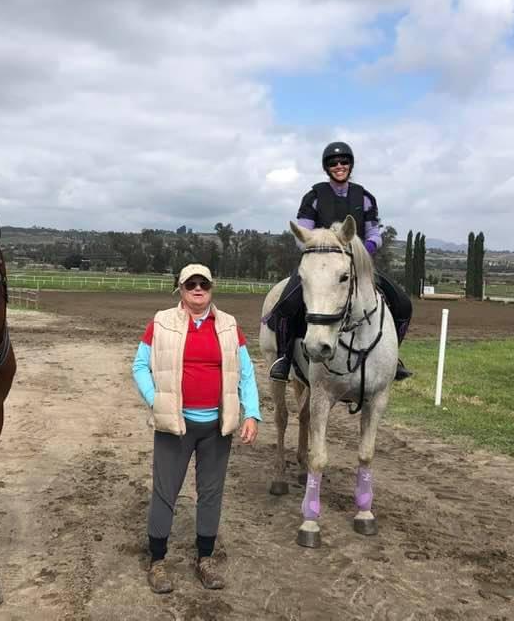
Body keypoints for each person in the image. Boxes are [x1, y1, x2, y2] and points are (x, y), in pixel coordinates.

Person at [131, 264, 261, 594]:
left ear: (211, 288)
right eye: (191, 284)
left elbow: (245, 373)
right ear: (181, 289)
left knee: (211, 493)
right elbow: (139, 366)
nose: (198, 288)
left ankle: (204, 559)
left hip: (216, 427)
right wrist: (156, 399)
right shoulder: (160, 323)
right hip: (174, 426)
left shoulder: (230, 326)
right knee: (165, 492)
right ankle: (157, 562)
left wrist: (252, 413)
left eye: (204, 283)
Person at [267, 141, 413, 381]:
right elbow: (302, 234)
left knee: (403, 304)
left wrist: (364, 249)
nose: (339, 166)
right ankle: (284, 358)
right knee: (285, 305)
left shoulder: (365, 198)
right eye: (333, 163)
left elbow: (375, 233)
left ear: (350, 165)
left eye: (344, 162)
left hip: (358, 265)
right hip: (319, 265)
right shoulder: (313, 197)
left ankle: (392, 358)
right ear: (327, 167)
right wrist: (320, 248)